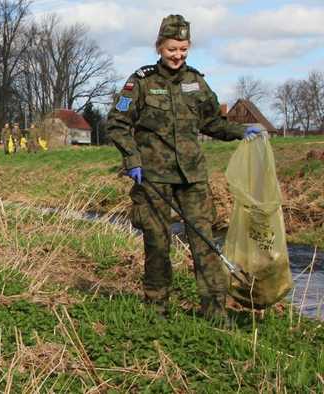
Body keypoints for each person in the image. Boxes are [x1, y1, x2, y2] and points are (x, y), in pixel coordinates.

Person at [106, 14, 262, 323]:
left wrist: (241, 131)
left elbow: (212, 122)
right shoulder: (140, 82)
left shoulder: (196, 82)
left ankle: (215, 311)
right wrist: (133, 160)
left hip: (192, 177)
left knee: (204, 242)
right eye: (172, 49)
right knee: (157, 243)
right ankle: (156, 308)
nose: (178, 55)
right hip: (153, 178)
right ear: (160, 46)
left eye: (183, 49)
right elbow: (117, 124)